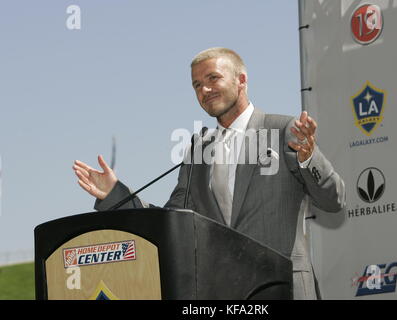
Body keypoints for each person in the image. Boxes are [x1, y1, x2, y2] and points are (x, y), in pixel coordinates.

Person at [72, 47, 345, 300]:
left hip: (284, 288)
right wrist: (115, 193)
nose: (204, 89)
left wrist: (308, 158)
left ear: (241, 80)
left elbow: (334, 199)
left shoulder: (284, 130)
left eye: (213, 78)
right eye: (196, 85)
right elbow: (169, 221)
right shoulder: (197, 151)